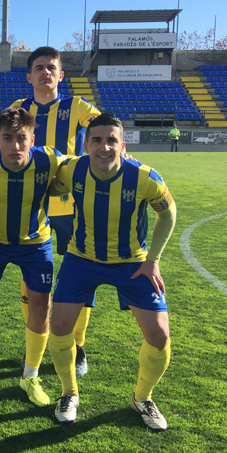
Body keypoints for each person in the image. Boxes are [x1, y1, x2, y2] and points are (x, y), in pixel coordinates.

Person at [47, 113, 177, 430]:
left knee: (159, 336)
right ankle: (69, 393)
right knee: (60, 326)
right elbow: (48, 188)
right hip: (81, 259)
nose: (104, 147)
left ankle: (142, 398)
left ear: (122, 144)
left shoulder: (144, 177)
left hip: (132, 263)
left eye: (111, 141)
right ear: (87, 143)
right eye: (97, 140)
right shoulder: (73, 169)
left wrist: (153, 259)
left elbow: (169, 214)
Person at [0, 107, 62, 406]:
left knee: (40, 308)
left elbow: (83, 166)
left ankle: (30, 375)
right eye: (8, 138)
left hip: (36, 245)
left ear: (33, 139)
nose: (15, 145)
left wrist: (126, 158)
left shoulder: (50, 159)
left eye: (22, 138)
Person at [12, 46, 101, 377]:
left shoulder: (75, 106)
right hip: (30, 207)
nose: (45, 72)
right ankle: (32, 343)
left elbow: (103, 126)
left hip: (71, 207)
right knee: (30, 279)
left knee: (79, 275)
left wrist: (121, 149)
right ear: (29, 76)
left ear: (61, 75)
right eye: (39, 67)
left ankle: (78, 345)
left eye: (51, 67)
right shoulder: (18, 109)